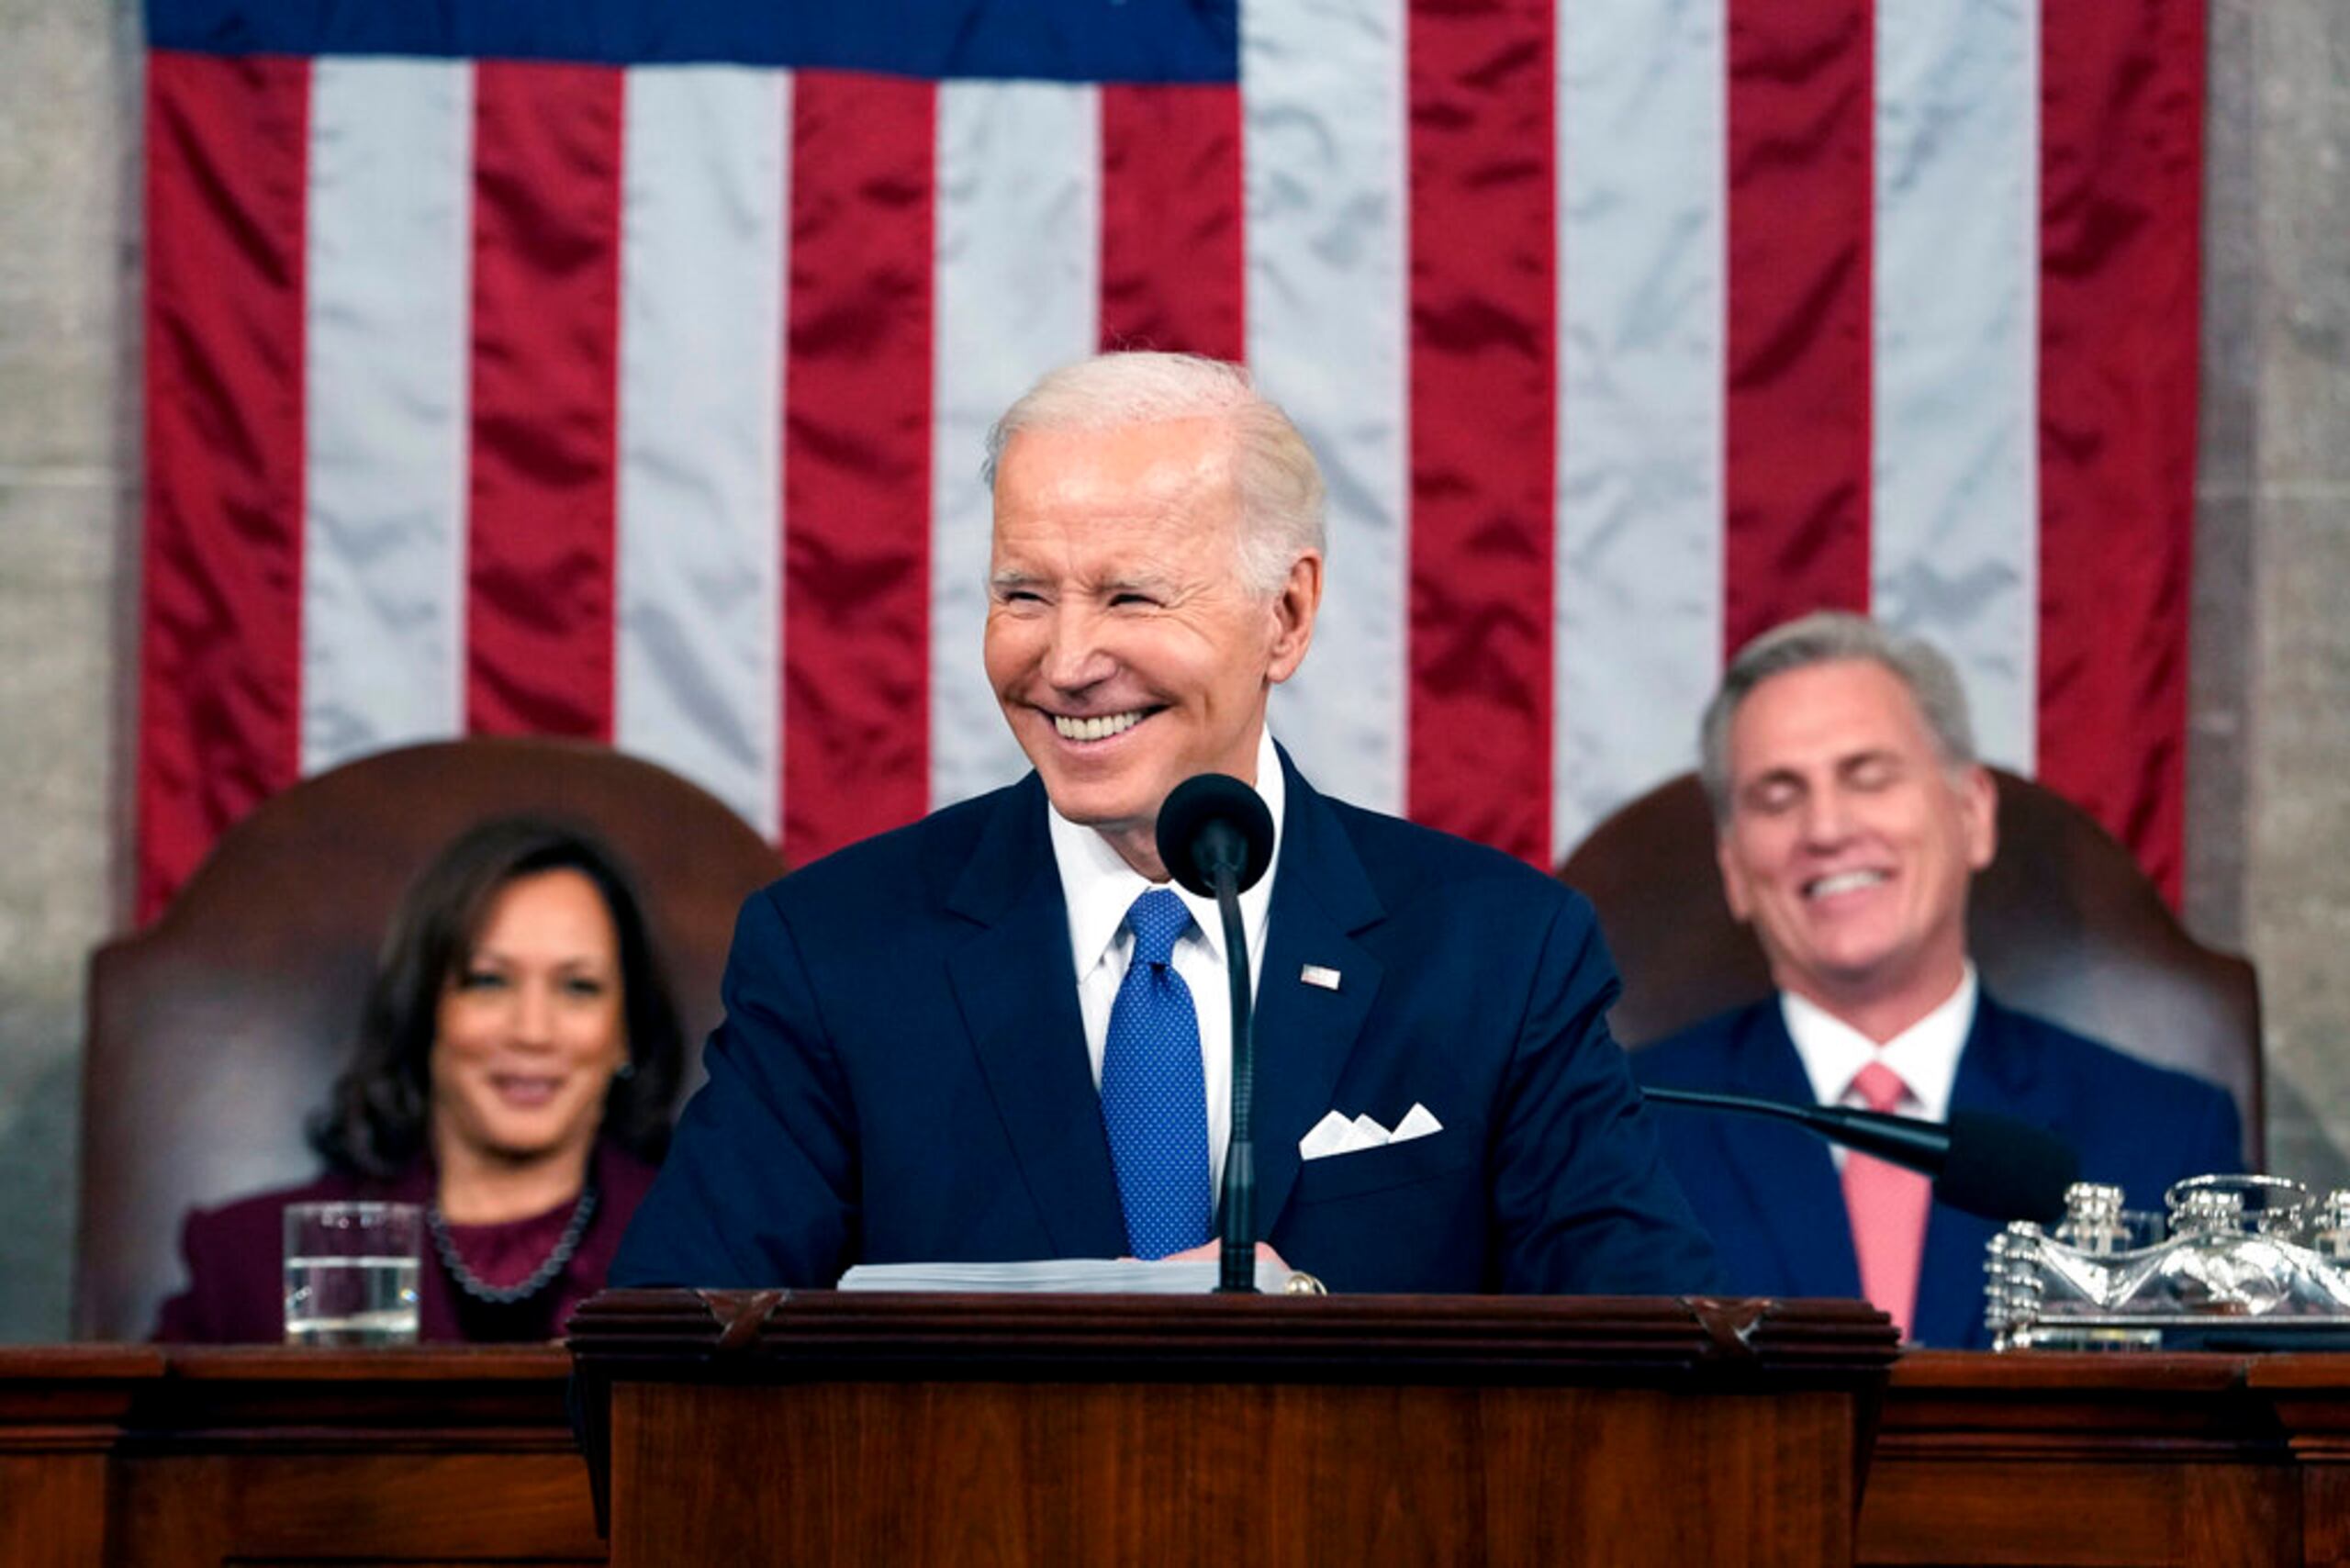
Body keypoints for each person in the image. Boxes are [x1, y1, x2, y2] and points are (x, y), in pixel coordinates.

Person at [613, 352, 1717, 1294]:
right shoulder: (836, 953)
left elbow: (1651, 1356)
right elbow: (666, 1368)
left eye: (1131, 597)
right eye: (1023, 594)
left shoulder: (1497, 954)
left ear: (1284, 617)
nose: (1066, 661)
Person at [1631, 611, 2243, 1347]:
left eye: (1870, 777)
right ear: (1733, 867)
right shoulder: (1622, 1133)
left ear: (1972, 812)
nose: (1826, 829)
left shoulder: (2163, 1133)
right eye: (1778, 796)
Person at [153, 816, 687, 1342]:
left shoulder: (714, 1254)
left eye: (578, 987)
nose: (532, 1032)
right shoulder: (246, 1261)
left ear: (627, 1031)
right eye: (488, 981)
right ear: (425, 1009)